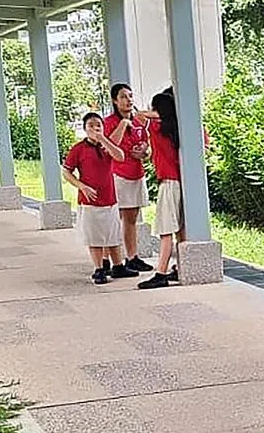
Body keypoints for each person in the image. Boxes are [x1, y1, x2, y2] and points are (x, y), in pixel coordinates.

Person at [62, 113, 135, 285]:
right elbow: (66, 171)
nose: (95, 128)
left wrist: (103, 139)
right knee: (94, 236)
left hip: (109, 199)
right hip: (90, 201)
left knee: (112, 234)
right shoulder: (78, 149)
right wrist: (81, 186)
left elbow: (120, 156)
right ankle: (99, 268)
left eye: (98, 125)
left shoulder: (107, 146)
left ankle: (118, 266)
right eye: (91, 125)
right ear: (84, 129)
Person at [103, 82, 155, 273]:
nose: (128, 100)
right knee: (113, 218)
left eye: (130, 96)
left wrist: (144, 152)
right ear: (115, 101)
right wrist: (123, 124)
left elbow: (147, 147)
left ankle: (132, 257)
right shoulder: (109, 122)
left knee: (131, 218)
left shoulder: (139, 121)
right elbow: (109, 145)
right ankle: (106, 260)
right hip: (117, 174)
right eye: (123, 97)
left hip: (136, 173)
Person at [136, 91, 184, 290]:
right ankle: (180, 267)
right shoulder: (176, 127)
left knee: (166, 230)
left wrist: (156, 113)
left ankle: (161, 273)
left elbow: (139, 115)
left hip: (169, 182)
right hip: (179, 182)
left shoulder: (156, 128)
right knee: (180, 230)